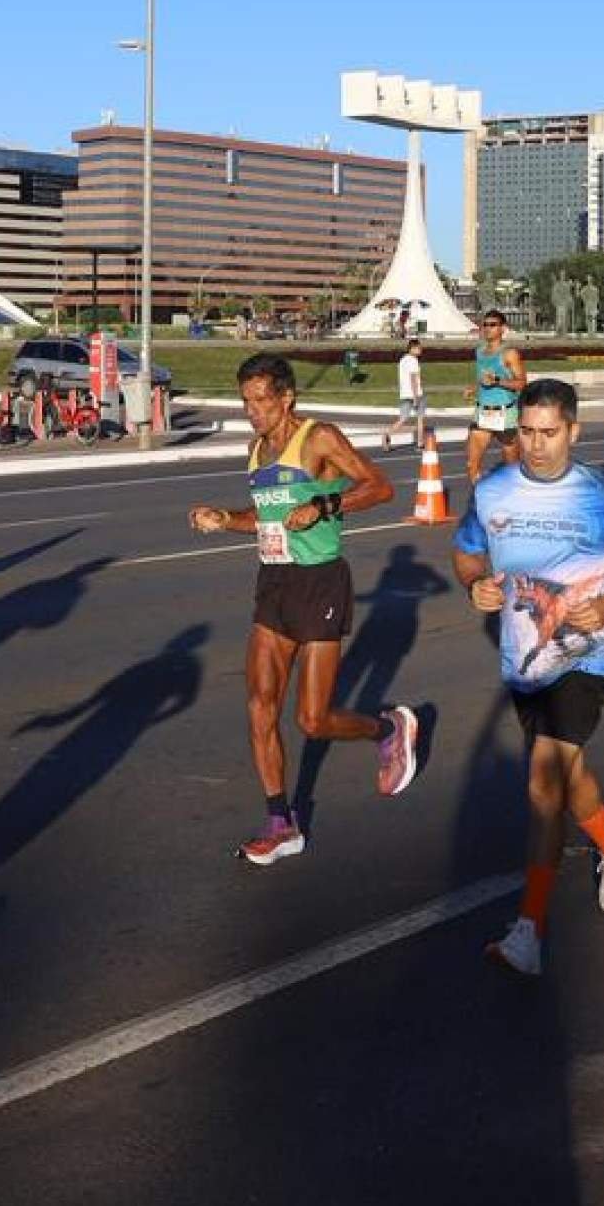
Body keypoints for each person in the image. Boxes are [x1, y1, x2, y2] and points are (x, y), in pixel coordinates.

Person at [455, 381, 604, 978]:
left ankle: (529, 931)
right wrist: (475, 582)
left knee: (544, 784)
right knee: (570, 775)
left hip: (586, 653)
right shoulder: (493, 490)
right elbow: (467, 551)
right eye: (526, 432)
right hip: (526, 660)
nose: (536, 444)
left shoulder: (602, 494)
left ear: (573, 432)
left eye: (549, 433)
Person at [188, 355, 411, 864]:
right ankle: (280, 822)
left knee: (313, 720)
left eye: (261, 401)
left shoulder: (318, 438)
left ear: (286, 397)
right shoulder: (256, 450)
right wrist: (224, 518)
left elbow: (380, 487)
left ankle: (388, 729)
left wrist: (325, 506)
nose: (253, 412)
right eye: (246, 401)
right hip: (275, 584)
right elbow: (266, 519)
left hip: (320, 584)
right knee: (260, 707)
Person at [467, 310, 527, 491]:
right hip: (483, 412)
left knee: (511, 467)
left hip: (506, 412)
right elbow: (483, 377)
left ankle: (517, 498)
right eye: (485, 325)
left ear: (503, 329)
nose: (487, 328)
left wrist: (498, 381)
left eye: (493, 325)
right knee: (472, 464)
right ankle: (481, 501)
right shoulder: (479, 352)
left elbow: (522, 383)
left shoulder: (509, 354)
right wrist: (474, 387)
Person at [382, 336, 426, 449]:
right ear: (412, 348)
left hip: (404, 394)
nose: (420, 350)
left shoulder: (403, 360)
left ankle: (387, 434)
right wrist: (416, 396)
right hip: (416, 394)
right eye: (418, 348)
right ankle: (420, 443)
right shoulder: (413, 361)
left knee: (403, 419)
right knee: (420, 418)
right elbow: (413, 379)